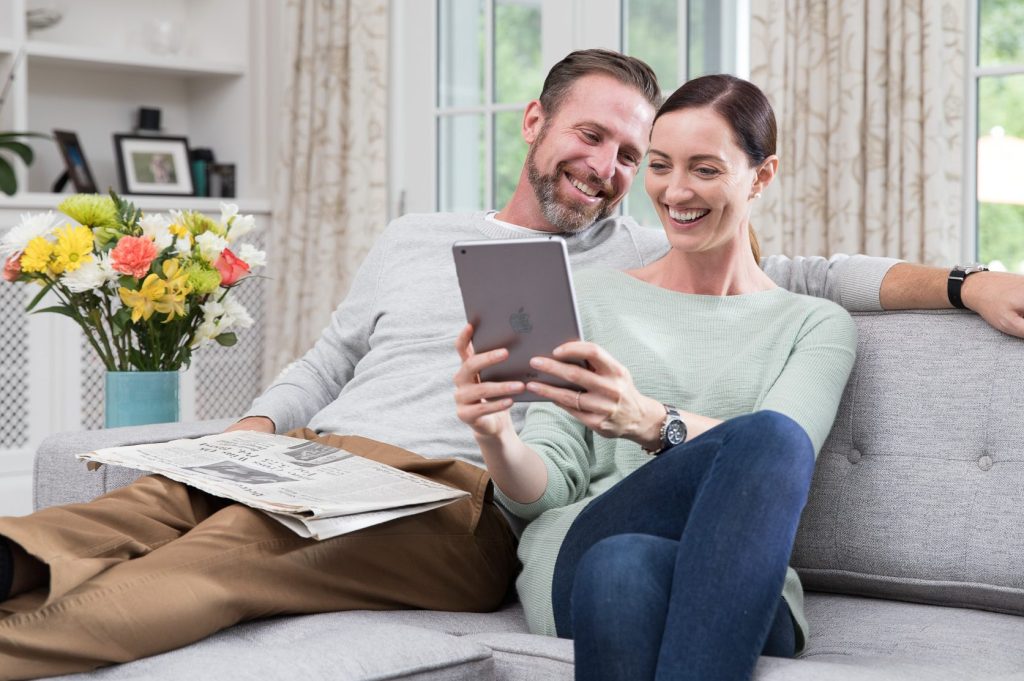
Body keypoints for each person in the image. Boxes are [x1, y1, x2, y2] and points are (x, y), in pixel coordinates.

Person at [0, 48, 1020, 679]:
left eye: (636, 156)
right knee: (127, 512)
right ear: (534, 123)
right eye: (606, 142)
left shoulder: (639, 253)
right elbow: (326, 356)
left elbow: (795, 271)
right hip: (313, 456)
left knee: (218, 561)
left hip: (441, 500)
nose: (617, 171)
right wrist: (255, 430)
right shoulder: (415, 234)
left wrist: (965, 279)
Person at [453, 74, 854, 681]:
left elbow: (778, 461)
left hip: (741, 576)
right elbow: (544, 490)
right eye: (661, 166)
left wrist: (647, 421)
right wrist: (494, 436)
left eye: (706, 170)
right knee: (614, 559)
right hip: (580, 555)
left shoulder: (816, 325)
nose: (675, 191)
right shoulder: (593, 298)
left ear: (762, 177)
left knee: (762, 446)